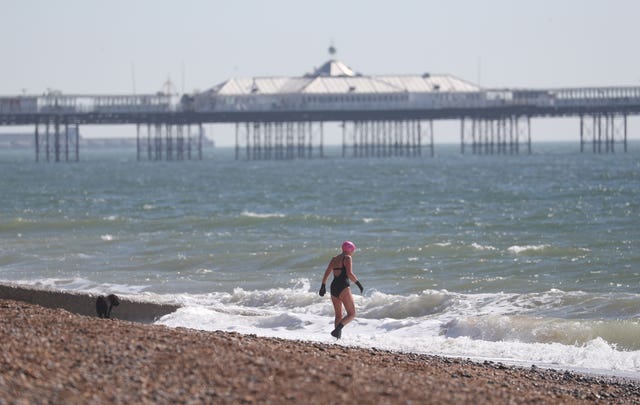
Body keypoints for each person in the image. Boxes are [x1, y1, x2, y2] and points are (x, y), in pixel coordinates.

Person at [319, 240, 363, 339]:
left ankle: (337, 339)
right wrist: (359, 284)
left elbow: (327, 272)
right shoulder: (347, 258)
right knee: (351, 314)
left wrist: (323, 285)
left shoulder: (334, 259)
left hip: (334, 287)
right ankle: (337, 330)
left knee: (338, 315)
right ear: (350, 249)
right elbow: (349, 274)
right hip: (343, 287)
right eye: (353, 250)